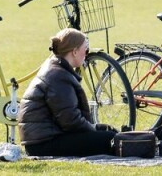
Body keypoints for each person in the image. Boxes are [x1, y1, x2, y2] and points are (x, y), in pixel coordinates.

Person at [17, 28, 118, 157]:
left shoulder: (56, 68)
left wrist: (97, 128)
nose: (86, 53)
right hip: (44, 144)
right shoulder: (58, 76)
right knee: (111, 139)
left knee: (107, 132)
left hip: (44, 140)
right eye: (85, 49)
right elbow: (71, 121)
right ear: (74, 52)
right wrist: (94, 130)